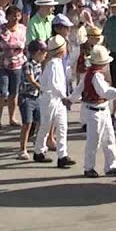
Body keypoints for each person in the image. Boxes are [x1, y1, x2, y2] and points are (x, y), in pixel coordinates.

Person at [80, 44, 116, 178]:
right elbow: (104, 92)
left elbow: (79, 88)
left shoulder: (90, 74)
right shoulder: (96, 76)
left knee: (109, 138)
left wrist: (71, 99)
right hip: (96, 111)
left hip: (100, 109)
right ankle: (90, 167)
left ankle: (111, 166)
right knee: (95, 140)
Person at [32, 34, 73, 169]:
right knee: (46, 125)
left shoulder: (56, 63)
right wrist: (64, 97)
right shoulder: (54, 64)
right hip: (51, 99)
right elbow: (55, 85)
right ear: (61, 50)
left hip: (55, 99)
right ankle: (39, 151)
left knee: (62, 126)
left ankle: (62, 155)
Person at [0, 5, 26, 130]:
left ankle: (12, 118)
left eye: (18, 15)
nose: (15, 18)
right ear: (7, 16)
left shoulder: (23, 29)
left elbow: (26, 47)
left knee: (14, 93)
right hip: (1, 65)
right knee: (1, 93)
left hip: (17, 65)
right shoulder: (0, 29)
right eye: (13, 15)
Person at [15, 40, 45, 160]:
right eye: (43, 52)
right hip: (27, 97)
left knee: (40, 121)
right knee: (27, 123)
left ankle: (37, 143)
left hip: (37, 97)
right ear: (37, 52)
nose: (45, 55)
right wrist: (43, 88)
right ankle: (22, 149)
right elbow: (31, 80)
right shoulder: (28, 64)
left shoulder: (39, 64)